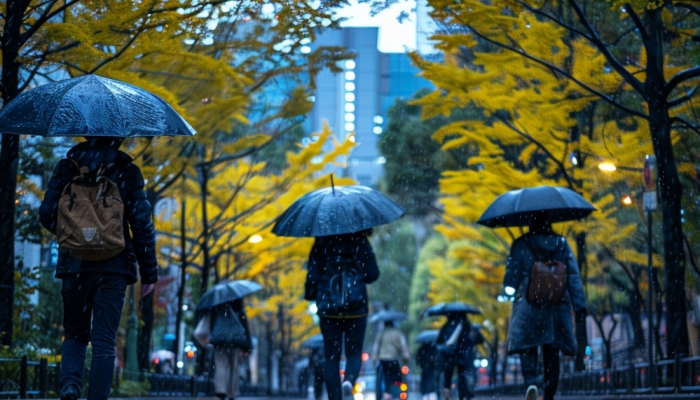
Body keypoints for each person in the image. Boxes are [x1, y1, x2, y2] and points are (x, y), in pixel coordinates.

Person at [39, 137, 158, 400]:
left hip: (74, 266)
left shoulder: (67, 167)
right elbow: (141, 223)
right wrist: (149, 273)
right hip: (114, 267)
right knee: (104, 340)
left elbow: (46, 214)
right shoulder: (127, 170)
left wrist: (76, 236)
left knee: (74, 333)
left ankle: (70, 385)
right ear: (119, 136)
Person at [503, 213, 587, 400]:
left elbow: (511, 277)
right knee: (552, 349)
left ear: (530, 223)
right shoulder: (561, 243)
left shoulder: (520, 244)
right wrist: (580, 306)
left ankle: (531, 383)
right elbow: (573, 277)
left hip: (528, 302)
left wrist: (509, 288)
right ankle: (549, 392)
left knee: (528, 345)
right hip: (555, 303)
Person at [304, 230, 380, 400]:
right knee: (354, 352)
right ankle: (349, 381)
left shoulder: (322, 241)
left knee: (331, 356)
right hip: (356, 304)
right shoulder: (359, 239)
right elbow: (373, 272)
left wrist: (311, 293)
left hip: (328, 305)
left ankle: (335, 397)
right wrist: (360, 276)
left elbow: (312, 274)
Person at [211, 299, 252, 400]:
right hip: (236, 343)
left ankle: (221, 390)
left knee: (221, 366)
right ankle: (232, 392)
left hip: (220, 342)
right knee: (234, 368)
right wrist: (247, 347)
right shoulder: (240, 311)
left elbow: (212, 325)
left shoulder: (218, 309)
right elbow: (245, 329)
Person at [436, 314, 483, 400]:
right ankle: (465, 394)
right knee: (464, 376)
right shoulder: (468, 326)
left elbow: (440, 342)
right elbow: (479, 340)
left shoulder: (447, 327)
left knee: (450, 376)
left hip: (451, 356)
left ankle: (449, 393)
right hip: (465, 356)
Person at [372, 320, 410, 399]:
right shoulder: (397, 333)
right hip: (394, 360)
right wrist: (405, 355)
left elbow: (376, 346)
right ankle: (395, 394)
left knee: (383, 378)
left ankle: (384, 393)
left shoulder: (381, 333)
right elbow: (403, 346)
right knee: (396, 379)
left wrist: (375, 357)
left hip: (383, 360)